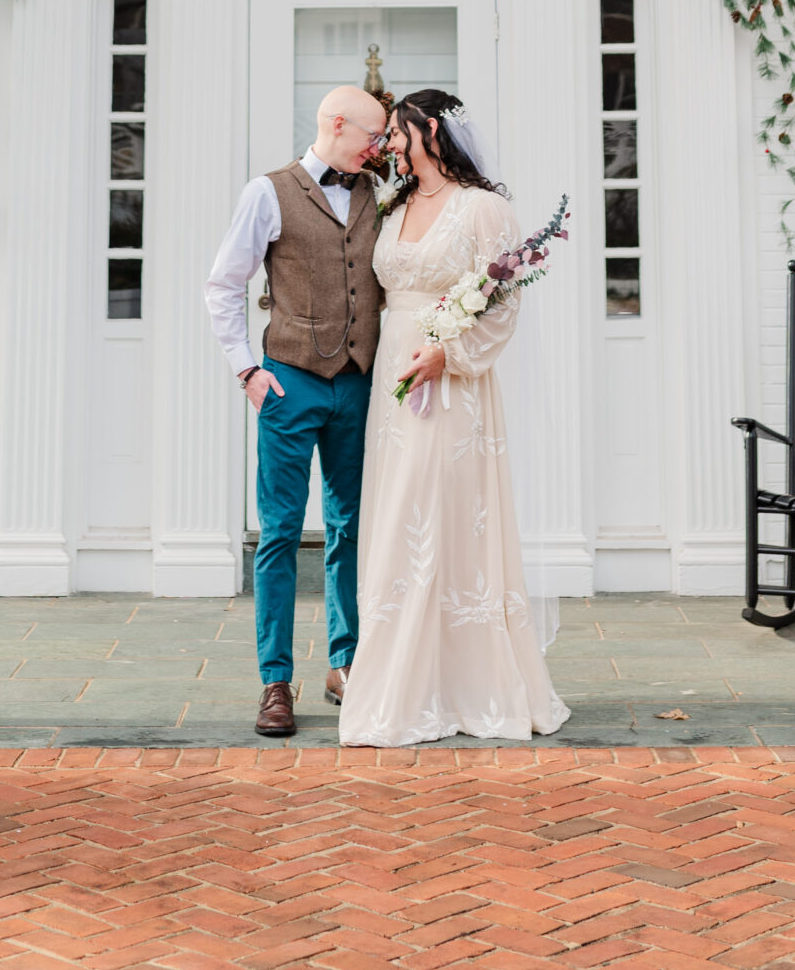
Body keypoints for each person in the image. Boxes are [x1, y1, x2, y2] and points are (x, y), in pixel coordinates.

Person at [338, 87, 570, 746]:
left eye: (398, 132)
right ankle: (399, 682)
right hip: (393, 370)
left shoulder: (483, 209)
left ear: (429, 130)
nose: (390, 144)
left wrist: (449, 353)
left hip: (452, 382)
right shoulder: (395, 203)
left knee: (439, 513)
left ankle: (465, 685)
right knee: (396, 518)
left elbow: (501, 304)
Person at [204, 82, 387, 737]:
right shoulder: (268, 192)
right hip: (288, 382)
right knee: (279, 532)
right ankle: (274, 680)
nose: (379, 147)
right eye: (372, 135)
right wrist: (245, 369)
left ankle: (345, 663)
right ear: (336, 125)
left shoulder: (376, 196)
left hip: (357, 384)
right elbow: (224, 283)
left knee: (348, 528)